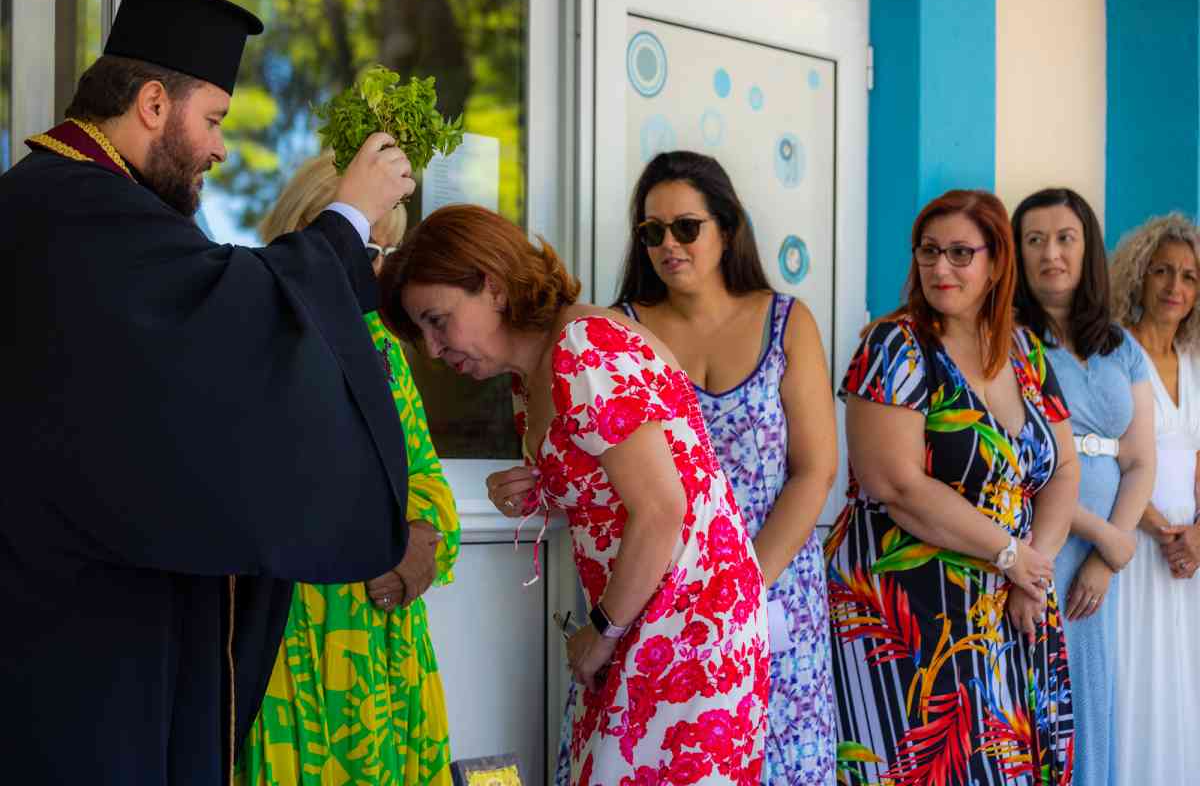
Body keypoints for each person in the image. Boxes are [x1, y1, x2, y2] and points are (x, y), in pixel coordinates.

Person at [0, 0, 425, 783]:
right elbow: (232, 333)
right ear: (154, 104)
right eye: (215, 119)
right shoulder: (76, 210)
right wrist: (345, 225)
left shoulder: (69, 205)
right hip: (77, 643)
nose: (222, 149)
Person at [379, 204, 770, 784]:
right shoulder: (534, 372)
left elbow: (662, 509)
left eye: (438, 321)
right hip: (646, 615)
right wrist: (540, 492)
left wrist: (601, 631)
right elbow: (615, 484)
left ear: (492, 286)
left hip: (687, 625)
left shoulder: (584, 347)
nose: (433, 349)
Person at [826, 190, 1079, 784]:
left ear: (996, 262)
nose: (941, 266)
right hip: (913, 619)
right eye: (929, 251)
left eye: (961, 253)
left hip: (1010, 607)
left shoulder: (1025, 351)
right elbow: (897, 485)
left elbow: (1064, 469)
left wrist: (1033, 570)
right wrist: (1010, 555)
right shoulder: (895, 345)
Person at [601, 150, 836, 785]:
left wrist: (743, 589)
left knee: (779, 765)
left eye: (686, 227)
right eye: (652, 232)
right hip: (662, 593)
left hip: (773, 584)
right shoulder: (620, 332)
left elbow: (815, 470)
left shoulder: (786, 321)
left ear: (726, 230)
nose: (668, 245)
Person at [237, 153, 461, 786]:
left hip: (385, 646)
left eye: (386, 255)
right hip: (293, 638)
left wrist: (423, 537)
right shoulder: (252, 329)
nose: (377, 272)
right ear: (310, 233)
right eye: (366, 249)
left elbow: (427, 476)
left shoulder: (382, 344)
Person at [1011, 188, 1155, 786]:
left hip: (1101, 563)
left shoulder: (1122, 346)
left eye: (1065, 238)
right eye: (1035, 240)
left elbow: (1141, 460)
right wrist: (1106, 537)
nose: (1051, 254)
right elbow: (1023, 464)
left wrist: (1107, 555)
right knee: (1039, 697)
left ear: (1087, 248)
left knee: (1094, 692)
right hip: (1041, 542)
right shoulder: (1009, 342)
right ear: (1016, 253)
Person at [1110, 213, 1200, 783]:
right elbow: (1102, 455)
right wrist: (1156, 526)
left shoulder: (1195, 361)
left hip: (1188, 560)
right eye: (1162, 271)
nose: (1175, 287)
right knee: (1136, 681)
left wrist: (1196, 537)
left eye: (1189, 276)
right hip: (1136, 550)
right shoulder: (1116, 352)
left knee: (1184, 687)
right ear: (1139, 274)